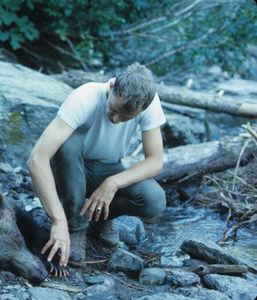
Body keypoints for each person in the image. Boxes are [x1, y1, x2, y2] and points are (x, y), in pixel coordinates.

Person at [27, 63, 167, 268]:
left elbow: (155, 161)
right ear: (111, 87)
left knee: (154, 199)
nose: (116, 120)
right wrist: (59, 222)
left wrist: (113, 182)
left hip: (109, 168)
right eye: (114, 110)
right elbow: (37, 159)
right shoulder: (84, 97)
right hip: (71, 168)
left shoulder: (149, 103)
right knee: (67, 144)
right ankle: (75, 226)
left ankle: (101, 217)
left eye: (127, 118)